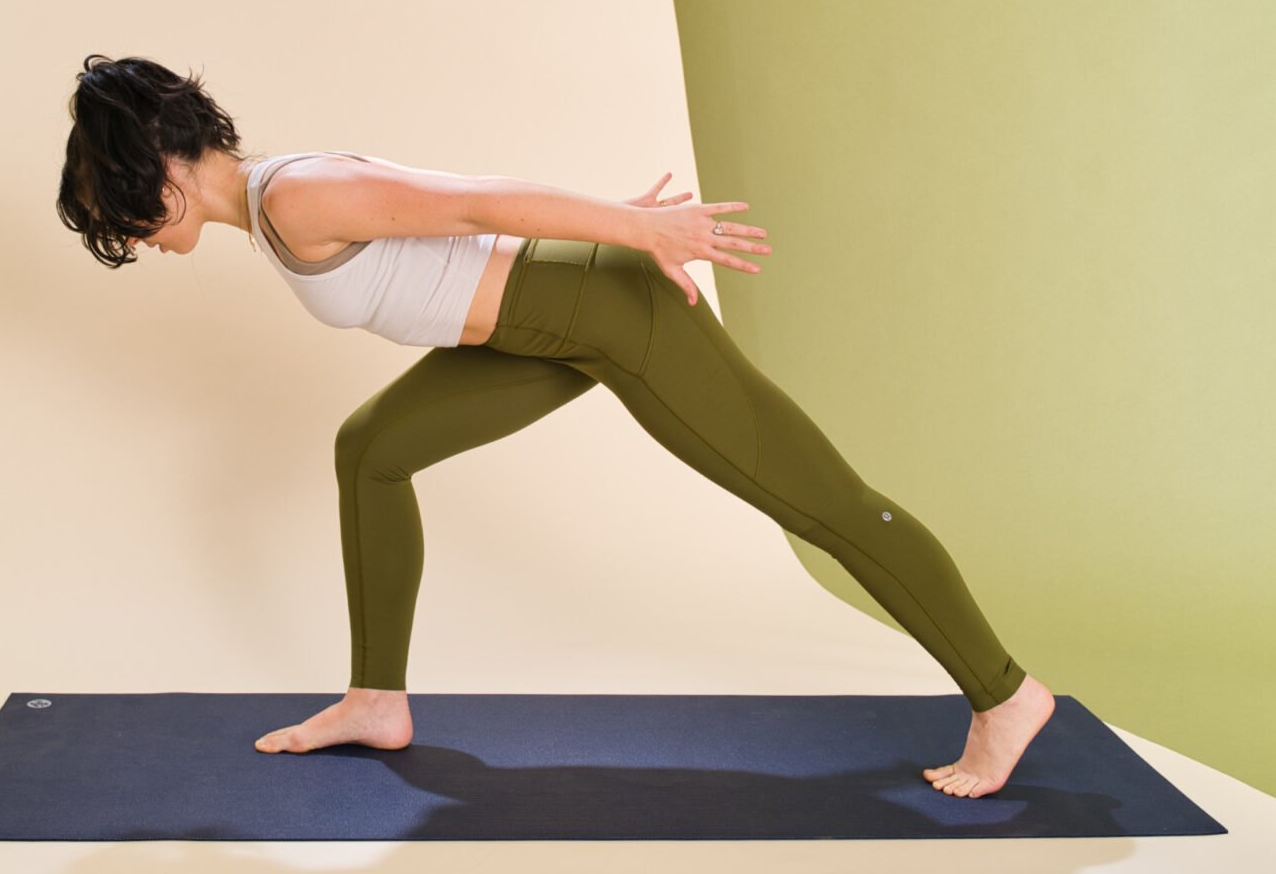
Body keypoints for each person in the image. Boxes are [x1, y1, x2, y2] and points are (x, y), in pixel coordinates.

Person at [56, 54, 1055, 799]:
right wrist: (616, 223)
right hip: (535, 332)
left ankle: (1002, 692)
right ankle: (377, 700)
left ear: (159, 166)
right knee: (371, 450)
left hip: (612, 321)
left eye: (121, 209)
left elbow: (471, 203)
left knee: (823, 504)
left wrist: (638, 232)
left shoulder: (298, 196)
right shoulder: (277, 203)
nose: (134, 236)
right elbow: (468, 238)